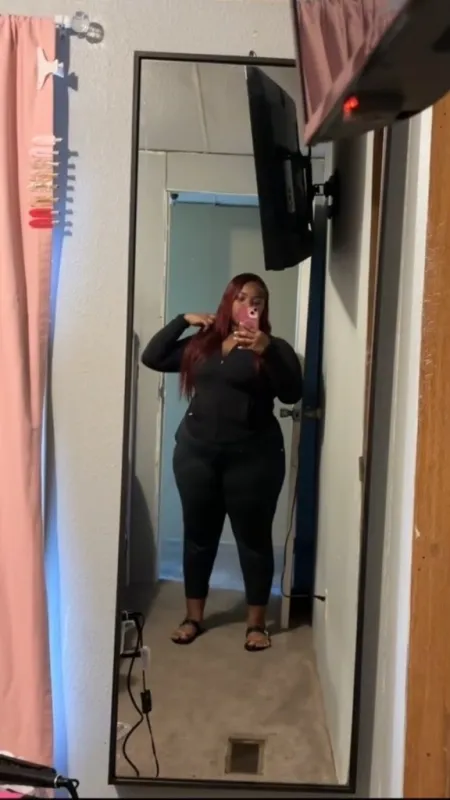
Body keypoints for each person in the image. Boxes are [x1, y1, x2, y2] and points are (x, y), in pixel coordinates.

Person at [141, 273, 303, 651]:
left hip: (253, 460)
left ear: (264, 308)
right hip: (196, 455)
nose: (248, 304)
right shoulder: (203, 344)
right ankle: (192, 617)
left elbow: (292, 392)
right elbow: (153, 357)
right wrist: (182, 320)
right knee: (198, 537)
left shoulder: (273, 347)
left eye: (257, 300)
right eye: (241, 297)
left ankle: (256, 624)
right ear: (228, 301)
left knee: (253, 540)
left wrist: (267, 350)